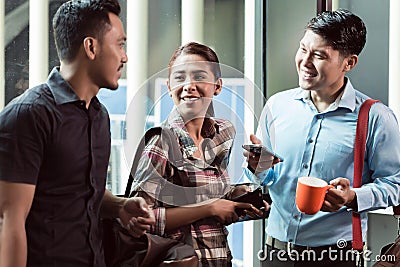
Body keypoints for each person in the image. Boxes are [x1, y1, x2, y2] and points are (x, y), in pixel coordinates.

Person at [0, 1, 155, 266]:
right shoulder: (28, 115)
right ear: (91, 47)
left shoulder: (99, 115)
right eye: (120, 44)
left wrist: (119, 207)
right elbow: (9, 221)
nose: (125, 56)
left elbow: (80, 190)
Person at [246, 9, 400, 267]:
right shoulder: (277, 105)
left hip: (335, 257)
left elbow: (395, 185)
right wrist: (258, 168)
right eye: (303, 49)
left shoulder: (375, 117)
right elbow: (270, 179)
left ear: (348, 63)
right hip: (275, 252)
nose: (305, 61)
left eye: (319, 55)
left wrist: (353, 197)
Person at [131, 42, 263, 267]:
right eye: (180, 78)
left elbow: (209, 196)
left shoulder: (222, 134)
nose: (189, 85)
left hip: (220, 259)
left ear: (217, 86)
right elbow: (140, 219)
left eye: (199, 76)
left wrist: (244, 191)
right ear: (169, 86)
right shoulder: (161, 141)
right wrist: (210, 207)